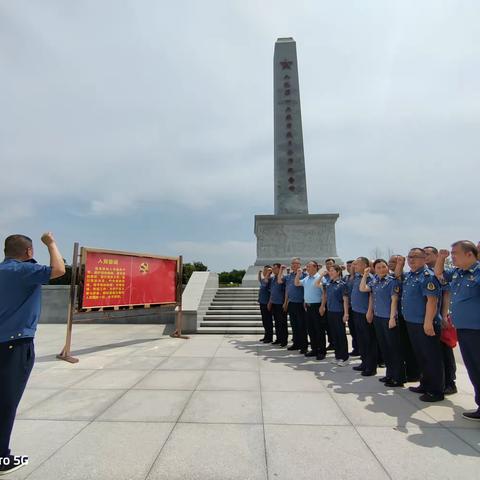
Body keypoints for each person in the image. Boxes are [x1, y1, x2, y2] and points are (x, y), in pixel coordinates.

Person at [0, 233, 65, 475]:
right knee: (6, 403)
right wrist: (50, 243)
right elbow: (59, 269)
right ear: (29, 252)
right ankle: (2, 458)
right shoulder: (24, 273)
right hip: (15, 345)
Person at [435, 241, 480, 420]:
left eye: (455, 253)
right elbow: (439, 274)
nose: (452, 256)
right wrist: (441, 258)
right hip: (464, 330)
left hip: (477, 330)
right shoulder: (457, 274)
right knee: (473, 369)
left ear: (469, 254)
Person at [396, 249, 444, 402]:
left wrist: (428, 322)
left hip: (425, 323)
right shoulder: (410, 276)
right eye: (409, 257)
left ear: (424, 259)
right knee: (421, 356)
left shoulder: (427, 276)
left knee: (431, 358)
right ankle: (425, 384)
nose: (411, 260)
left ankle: (436, 391)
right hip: (412, 323)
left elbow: (432, 301)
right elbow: (397, 276)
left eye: (415, 257)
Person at [360, 260, 406, 387]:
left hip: (388, 318)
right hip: (378, 317)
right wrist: (365, 275)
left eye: (383, 267)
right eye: (378, 267)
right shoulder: (375, 281)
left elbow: (394, 300)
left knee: (394, 349)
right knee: (385, 348)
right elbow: (363, 288)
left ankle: (398, 377)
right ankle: (389, 374)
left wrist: (392, 318)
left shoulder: (392, 281)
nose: (381, 269)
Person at [424, 246, 457, 395]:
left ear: (437, 255)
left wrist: (444, 315)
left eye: (428, 254)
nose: (425, 256)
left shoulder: (441, 273)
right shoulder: (427, 272)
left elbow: (446, 293)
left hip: (440, 318)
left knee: (445, 351)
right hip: (430, 317)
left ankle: (450, 382)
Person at [389, 254, 420, 382]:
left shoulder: (407, 276)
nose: (391, 264)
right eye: (390, 261)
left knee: (412, 348)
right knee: (404, 346)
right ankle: (410, 372)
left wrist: (400, 265)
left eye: (394, 262)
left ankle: (414, 373)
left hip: (411, 317)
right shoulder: (398, 277)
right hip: (403, 316)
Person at [350, 257, 377, 376]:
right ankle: (364, 363)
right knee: (361, 340)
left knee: (369, 340)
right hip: (356, 312)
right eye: (355, 264)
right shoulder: (356, 277)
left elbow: (371, 296)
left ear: (366, 266)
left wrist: (369, 312)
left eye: (358, 264)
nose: (355, 266)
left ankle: (371, 367)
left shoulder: (370, 278)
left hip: (365, 313)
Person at [320, 264, 350, 366]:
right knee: (334, 335)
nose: (330, 272)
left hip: (339, 312)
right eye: (330, 271)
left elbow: (345, 299)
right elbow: (320, 289)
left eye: (332, 270)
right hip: (330, 312)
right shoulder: (328, 284)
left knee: (341, 335)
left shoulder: (342, 284)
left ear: (338, 272)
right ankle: (337, 356)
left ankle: (344, 358)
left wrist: (346, 313)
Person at [295, 261, 326, 360]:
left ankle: (321, 351)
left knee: (319, 330)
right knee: (311, 330)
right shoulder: (307, 278)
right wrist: (298, 275)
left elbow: (324, 294)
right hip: (308, 307)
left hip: (317, 307)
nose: (307, 268)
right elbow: (297, 283)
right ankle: (314, 349)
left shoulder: (320, 278)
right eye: (307, 266)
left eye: (308, 266)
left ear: (315, 267)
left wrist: (322, 306)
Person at [279, 258, 307, 352]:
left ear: (299, 265)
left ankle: (303, 346)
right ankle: (296, 344)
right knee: (294, 325)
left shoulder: (304, 275)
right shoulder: (289, 276)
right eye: (292, 264)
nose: (294, 265)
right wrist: (286, 302)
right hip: (291, 303)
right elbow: (281, 283)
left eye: (296, 263)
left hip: (300, 303)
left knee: (301, 326)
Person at [268, 263, 288, 347]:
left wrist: (285, 303)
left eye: (275, 268)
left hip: (281, 303)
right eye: (273, 268)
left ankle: (284, 340)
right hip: (274, 303)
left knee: (282, 323)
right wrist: (270, 302)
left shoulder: (283, 278)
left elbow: (286, 290)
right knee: (276, 322)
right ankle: (278, 338)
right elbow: (272, 292)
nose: (273, 269)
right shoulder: (272, 279)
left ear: (279, 269)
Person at [344, 260, 359, 356]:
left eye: (352, 265)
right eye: (348, 266)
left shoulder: (359, 278)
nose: (350, 267)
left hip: (358, 308)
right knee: (353, 330)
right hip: (349, 307)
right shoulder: (346, 278)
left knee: (360, 331)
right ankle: (356, 348)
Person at [257, 266, 273, 343]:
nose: (264, 271)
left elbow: (264, 283)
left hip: (266, 303)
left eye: (265, 270)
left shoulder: (269, 280)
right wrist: (259, 273)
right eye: (264, 270)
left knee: (268, 321)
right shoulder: (264, 279)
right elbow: (260, 280)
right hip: (262, 302)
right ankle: (266, 336)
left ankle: (269, 337)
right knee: (264, 321)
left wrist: (268, 273)